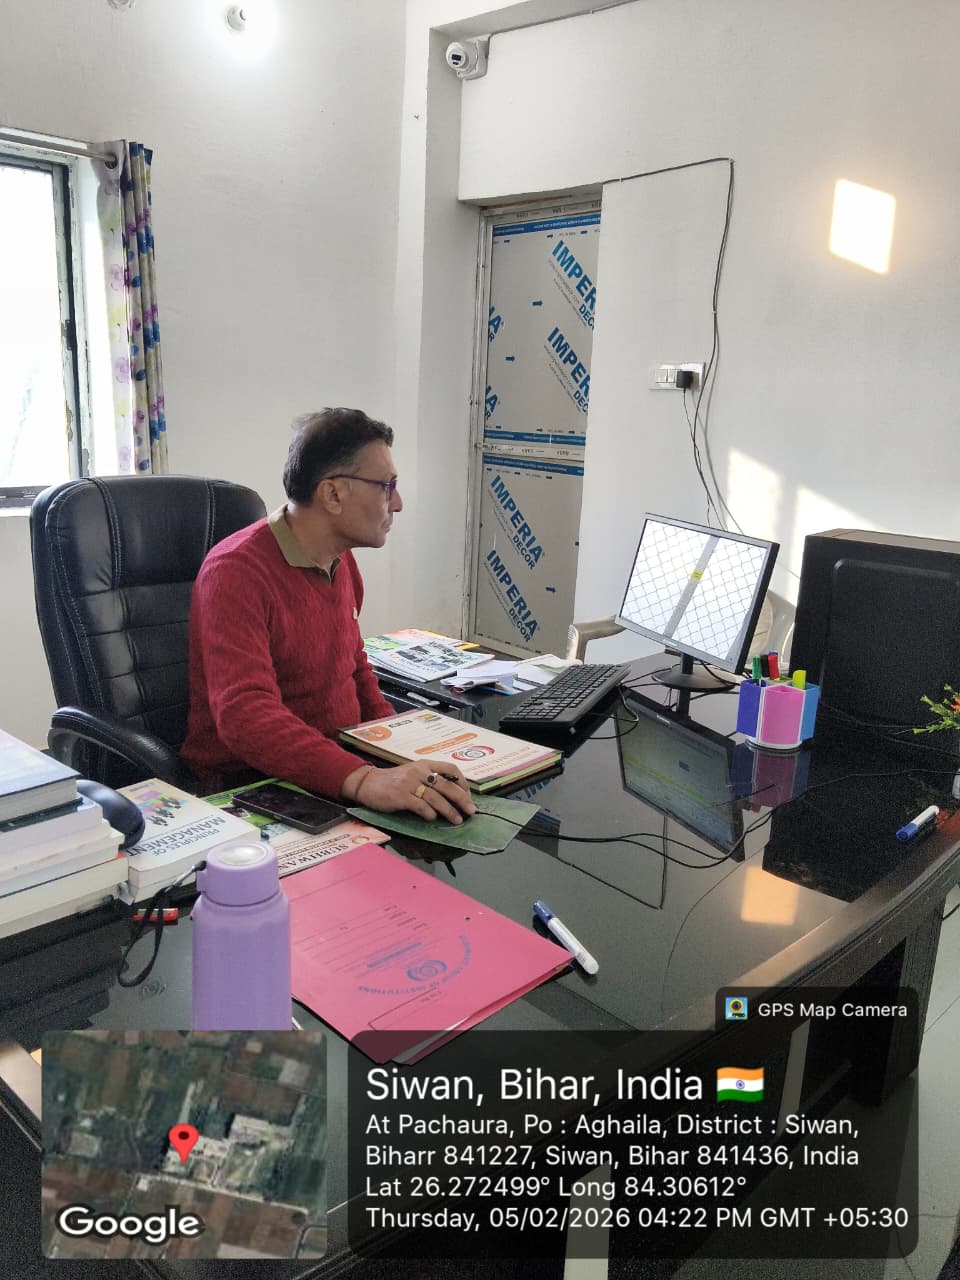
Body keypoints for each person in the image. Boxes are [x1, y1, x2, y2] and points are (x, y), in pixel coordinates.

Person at [182, 408, 476, 825]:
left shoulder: (341, 560)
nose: (397, 503)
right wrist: (364, 779)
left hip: (338, 766)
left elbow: (353, 667)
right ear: (333, 494)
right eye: (387, 486)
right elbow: (246, 715)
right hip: (254, 784)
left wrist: (398, 750)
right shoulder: (235, 572)